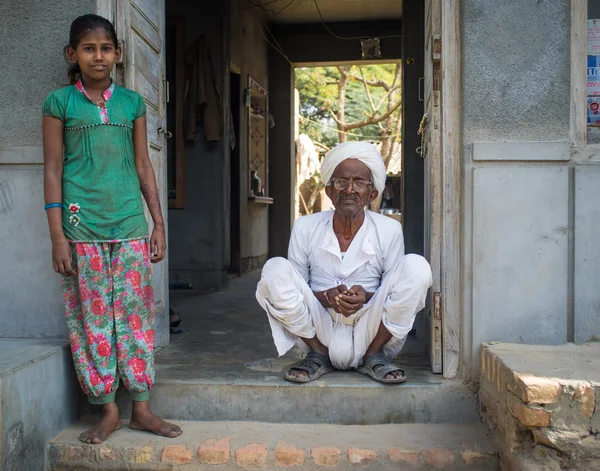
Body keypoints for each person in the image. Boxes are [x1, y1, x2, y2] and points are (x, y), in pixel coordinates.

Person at [42, 14, 182, 444]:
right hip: (81, 230)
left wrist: (158, 224)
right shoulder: (59, 103)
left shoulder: (133, 104)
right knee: (93, 322)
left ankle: (141, 408)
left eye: (105, 48)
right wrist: (57, 236)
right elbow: (51, 171)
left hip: (129, 225)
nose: (97, 56)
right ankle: (107, 410)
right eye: (88, 48)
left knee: (135, 319)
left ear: (118, 54)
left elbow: (143, 165)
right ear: (73, 55)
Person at [256, 141, 432, 384]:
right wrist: (326, 296)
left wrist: (367, 296)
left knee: (416, 266)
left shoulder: (389, 229)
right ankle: (317, 354)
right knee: (274, 268)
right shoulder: (305, 226)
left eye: (359, 183)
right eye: (341, 182)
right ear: (329, 191)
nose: (349, 190)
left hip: (370, 328)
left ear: (371, 194)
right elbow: (295, 286)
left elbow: (394, 289)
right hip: (318, 326)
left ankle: (375, 355)